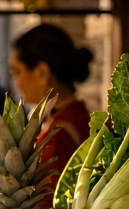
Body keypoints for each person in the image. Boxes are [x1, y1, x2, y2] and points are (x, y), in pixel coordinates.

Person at [9, 24, 94, 188]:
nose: (16, 83)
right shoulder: (79, 116)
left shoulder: (57, 136)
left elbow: (49, 203)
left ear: (42, 73)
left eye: (17, 72)